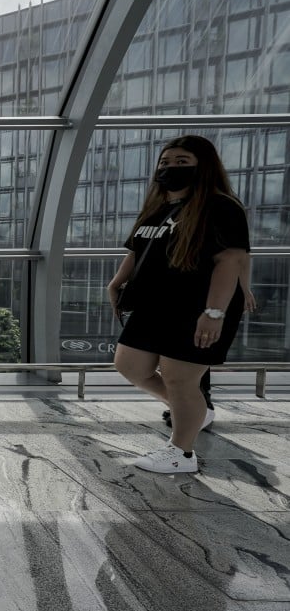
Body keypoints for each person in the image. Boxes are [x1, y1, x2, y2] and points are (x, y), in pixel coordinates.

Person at [108, 135, 250, 474]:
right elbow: (138, 249)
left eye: (182, 162)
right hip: (154, 304)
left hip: (196, 306)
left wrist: (214, 313)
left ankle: (181, 453)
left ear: (204, 166)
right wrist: (116, 282)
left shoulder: (221, 206)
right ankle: (195, 409)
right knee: (130, 366)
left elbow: (230, 259)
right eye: (166, 163)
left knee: (179, 379)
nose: (171, 168)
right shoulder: (159, 207)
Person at [161, 262, 255, 431]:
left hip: (206, 294)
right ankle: (191, 405)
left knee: (196, 349)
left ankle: (200, 405)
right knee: (187, 352)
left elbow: (239, 256)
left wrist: (244, 289)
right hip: (187, 290)